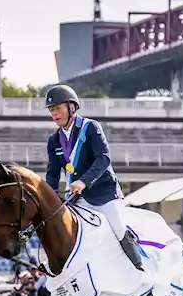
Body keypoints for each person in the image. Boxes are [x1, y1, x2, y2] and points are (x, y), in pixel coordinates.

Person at [42, 84, 143, 270]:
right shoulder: (54, 140)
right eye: (51, 110)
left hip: (104, 193)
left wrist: (84, 181)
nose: (54, 114)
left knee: (119, 228)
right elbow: (53, 172)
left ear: (71, 107)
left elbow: (104, 158)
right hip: (76, 198)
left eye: (57, 108)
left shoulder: (90, 128)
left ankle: (140, 269)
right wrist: (47, 198)